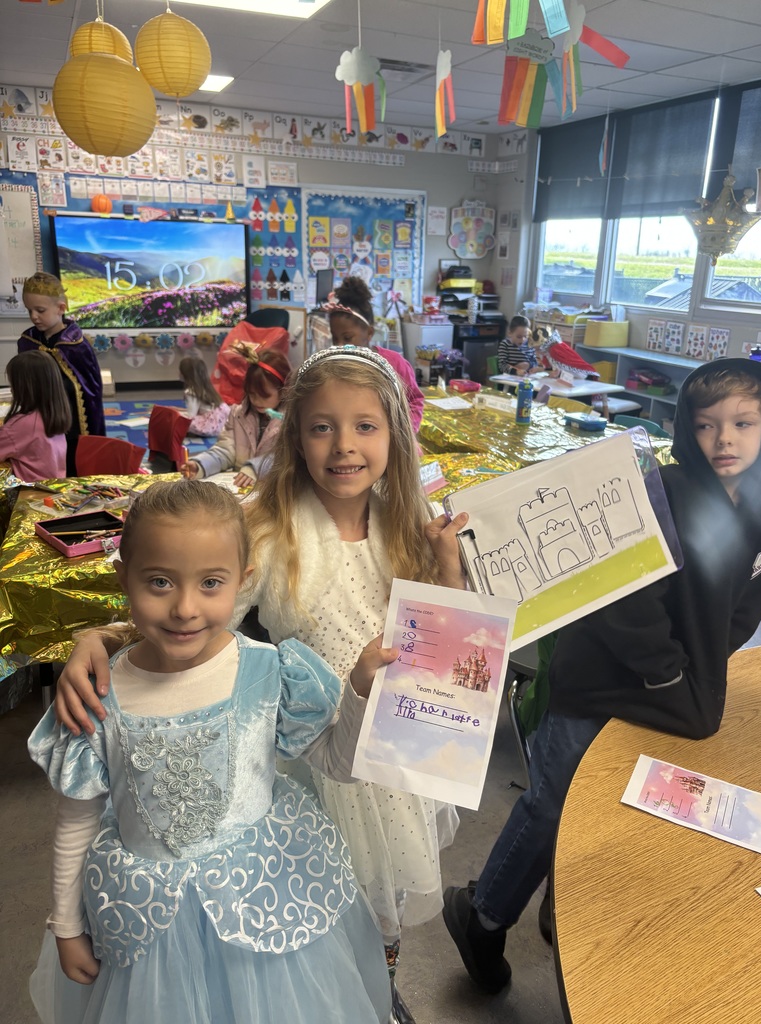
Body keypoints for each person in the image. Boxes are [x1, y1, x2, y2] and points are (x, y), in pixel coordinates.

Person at [53, 346, 467, 1024]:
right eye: (322, 426)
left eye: (366, 426)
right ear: (295, 433)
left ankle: (376, 989)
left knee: (386, 904)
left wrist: (448, 574)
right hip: (308, 765)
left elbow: (443, 648)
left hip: (390, 754)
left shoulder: (412, 532)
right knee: (320, 913)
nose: (344, 446)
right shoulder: (270, 533)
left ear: (395, 432)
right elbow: (189, 614)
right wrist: (94, 640)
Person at [442, 358, 761, 994]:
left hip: (681, 687)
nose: (724, 441)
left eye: (743, 423)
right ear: (685, 429)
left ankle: (560, 908)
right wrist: (666, 672)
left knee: (614, 809)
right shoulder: (661, 490)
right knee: (552, 805)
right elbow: (622, 596)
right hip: (605, 678)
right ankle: (482, 915)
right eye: (705, 426)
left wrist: (694, 667)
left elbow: (744, 606)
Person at [27, 478, 394, 1024]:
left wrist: (360, 690)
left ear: (242, 581)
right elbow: (77, 819)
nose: (184, 608)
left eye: (210, 583)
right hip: (150, 939)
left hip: (265, 922)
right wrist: (67, 926)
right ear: (121, 577)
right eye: (158, 581)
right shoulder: (97, 693)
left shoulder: (272, 672)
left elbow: (339, 765)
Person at [18, 272, 105, 476]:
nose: (33, 317)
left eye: (40, 310)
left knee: (73, 468)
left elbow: (90, 390)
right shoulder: (28, 342)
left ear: (61, 308)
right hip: (40, 425)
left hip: (72, 425)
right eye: (29, 310)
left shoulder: (76, 346)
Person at [324, 276, 425, 432]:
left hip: (392, 441)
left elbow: (414, 400)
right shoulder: (331, 367)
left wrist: (406, 431)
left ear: (369, 333)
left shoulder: (394, 363)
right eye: (335, 338)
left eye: (348, 338)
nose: (339, 345)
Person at [181, 344, 290, 488]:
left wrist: (255, 469)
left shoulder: (292, 420)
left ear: (283, 390)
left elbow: (286, 458)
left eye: (264, 395)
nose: (257, 401)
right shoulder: (238, 414)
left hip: (276, 492)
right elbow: (226, 450)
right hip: (242, 491)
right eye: (252, 394)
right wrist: (201, 464)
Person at [0, 351, 71, 480]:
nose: (11, 389)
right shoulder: (54, 414)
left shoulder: (21, 425)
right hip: (54, 488)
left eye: (13, 384)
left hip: (30, 495)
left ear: (25, 387)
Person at [178, 355, 230, 437]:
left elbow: (191, 416)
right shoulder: (207, 387)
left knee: (176, 419)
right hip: (223, 422)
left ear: (185, 374)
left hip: (210, 426)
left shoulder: (191, 392)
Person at [530, 325, 600, 380]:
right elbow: (549, 366)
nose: (537, 352)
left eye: (538, 349)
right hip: (572, 381)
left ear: (544, 345)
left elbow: (574, 371)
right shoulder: (548, 351)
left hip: (585, 377)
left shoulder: (555, 350)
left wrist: (559, 373)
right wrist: (539, 369)